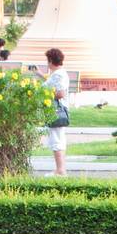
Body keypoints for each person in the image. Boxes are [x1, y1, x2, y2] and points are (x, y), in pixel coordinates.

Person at [43, 47, 70, 177]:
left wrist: (45, 93)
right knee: (59, 139)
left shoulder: (58, 74)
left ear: (51, 61)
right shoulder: (59, 73)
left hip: (56, 110)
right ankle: (61, 169)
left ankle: (60, 170)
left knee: (56, 140)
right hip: (57, 110)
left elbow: (60, 93)